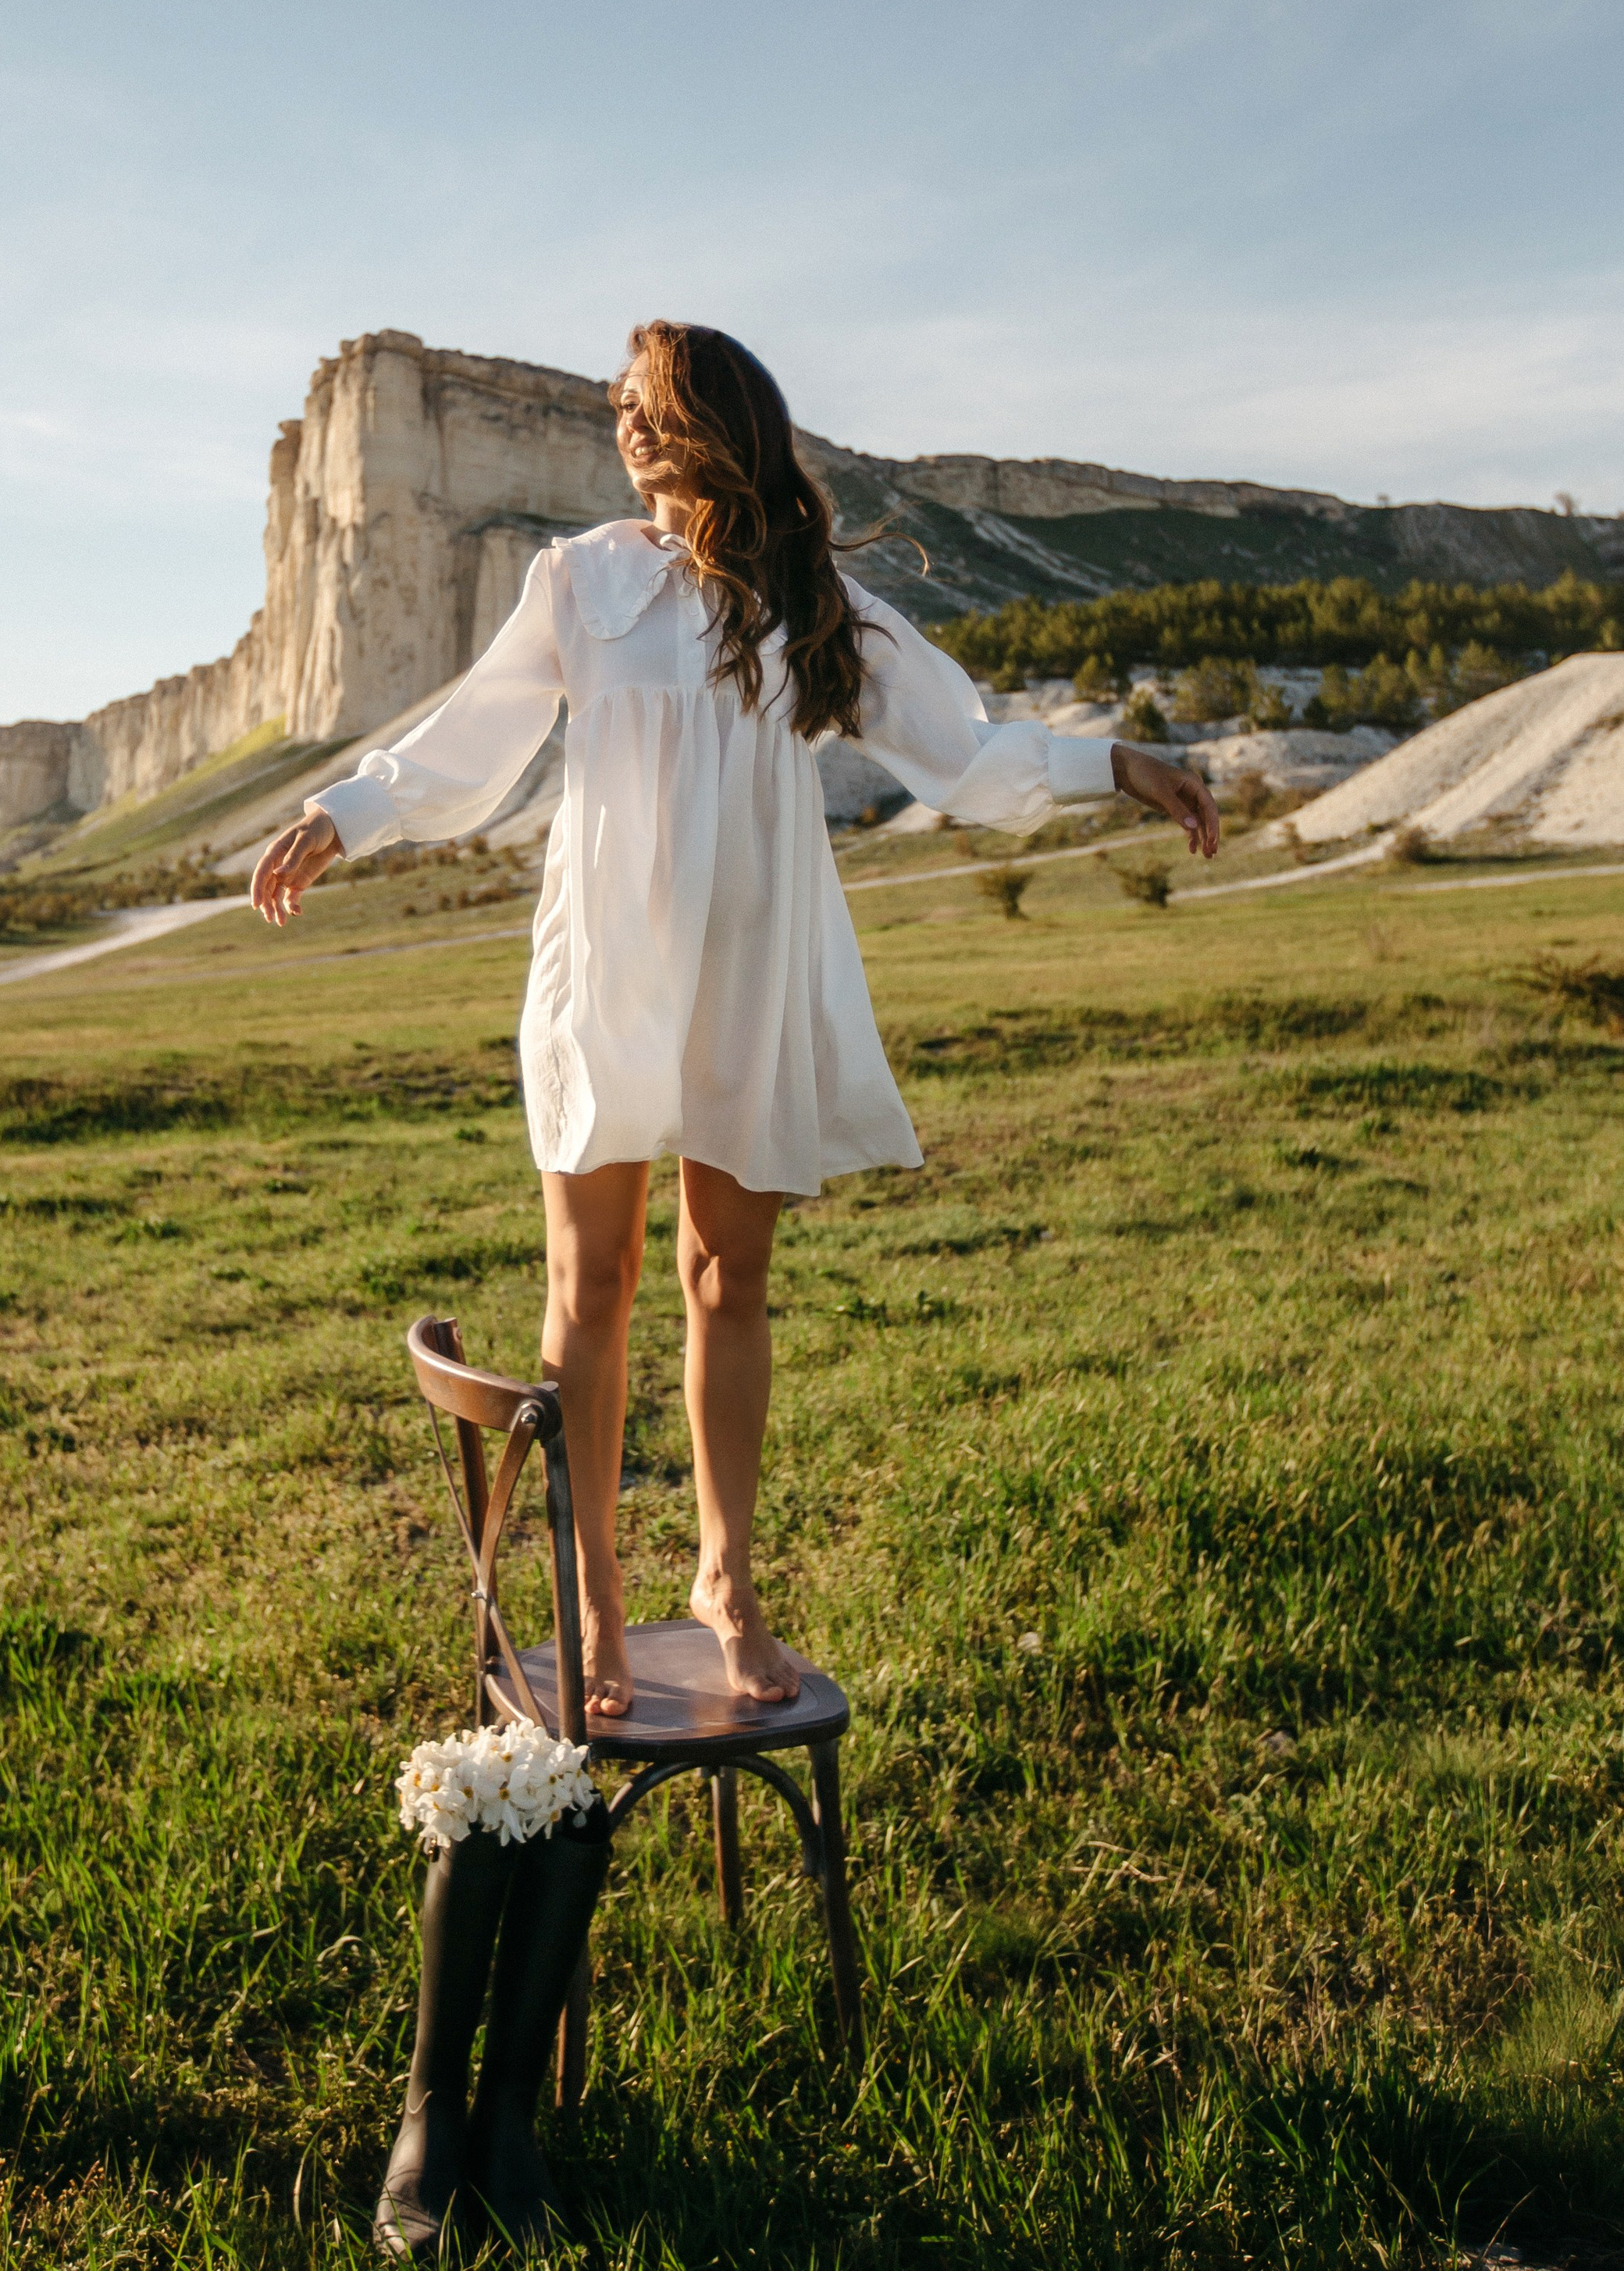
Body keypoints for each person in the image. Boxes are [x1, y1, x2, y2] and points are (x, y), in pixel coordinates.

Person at [251, 323, 1217, 1716]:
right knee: (591, 1289)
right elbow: (478, 733)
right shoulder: (578, 580)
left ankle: (725, 1582)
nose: (620, 420)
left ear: (711, 420)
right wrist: (346, 816)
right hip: (608, 966)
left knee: (725, 1279)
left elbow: (963, 746)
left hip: (753, 962)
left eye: (646, 402)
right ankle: (589, 1606)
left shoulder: (814, 599)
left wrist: (1113, 761)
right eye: (619, 406)